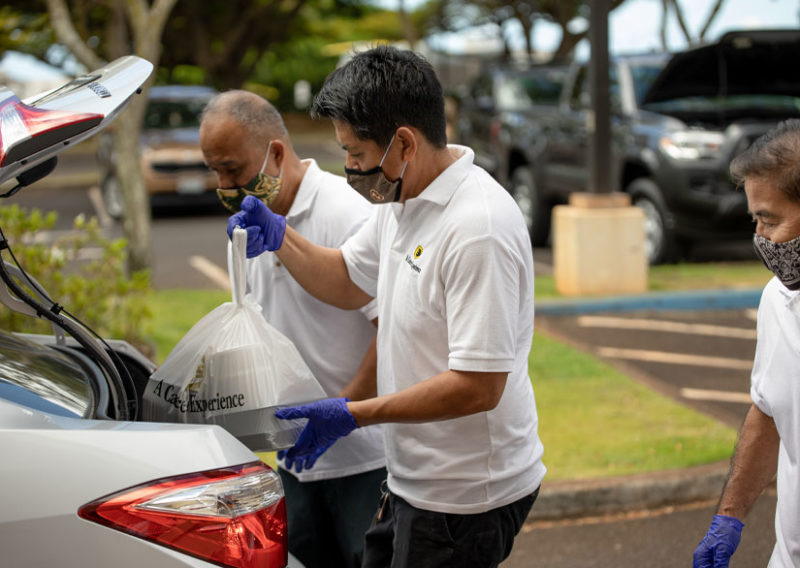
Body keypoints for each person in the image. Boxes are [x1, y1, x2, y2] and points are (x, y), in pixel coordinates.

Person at [227, 46, 546, 568]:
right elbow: (350, 280)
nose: (348, 168)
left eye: (355, 153)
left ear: (403, 142)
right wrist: (281, 236)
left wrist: (352, 414)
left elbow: (479, 386)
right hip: (413, 480)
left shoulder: (477, 228)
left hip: (466, 496)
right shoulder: (402, 201)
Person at [199, 90, 386, 568]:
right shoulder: (251, 225)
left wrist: (346, 410)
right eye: (214, 171)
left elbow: (393, 327)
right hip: (293, 457)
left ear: (275, 154)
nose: (223, 184)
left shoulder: (348, 213)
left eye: (233, 169)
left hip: (365, 457)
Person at [693, 118, 800, 567]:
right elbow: (768, 409)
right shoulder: (778, 299)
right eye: (755, 219)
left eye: (769, 220)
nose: (760, 238)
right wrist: (729, 516)